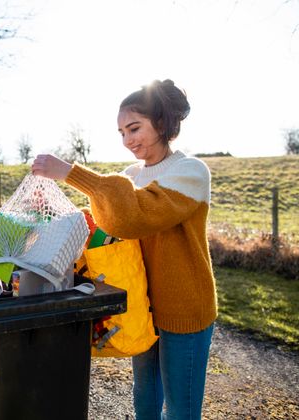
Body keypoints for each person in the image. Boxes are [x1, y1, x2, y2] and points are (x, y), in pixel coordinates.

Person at [31, 79, 217, 419]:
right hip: (141, 304)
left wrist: (70, 173)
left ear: (161, 123)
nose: (128, 140)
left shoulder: (190, 171)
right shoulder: (132, 174)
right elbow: (107, 219)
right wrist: (55, 206)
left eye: (134, 128)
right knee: (144, 400)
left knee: (181, 410)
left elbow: (135, 215)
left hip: (185, 305)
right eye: (121, 133)